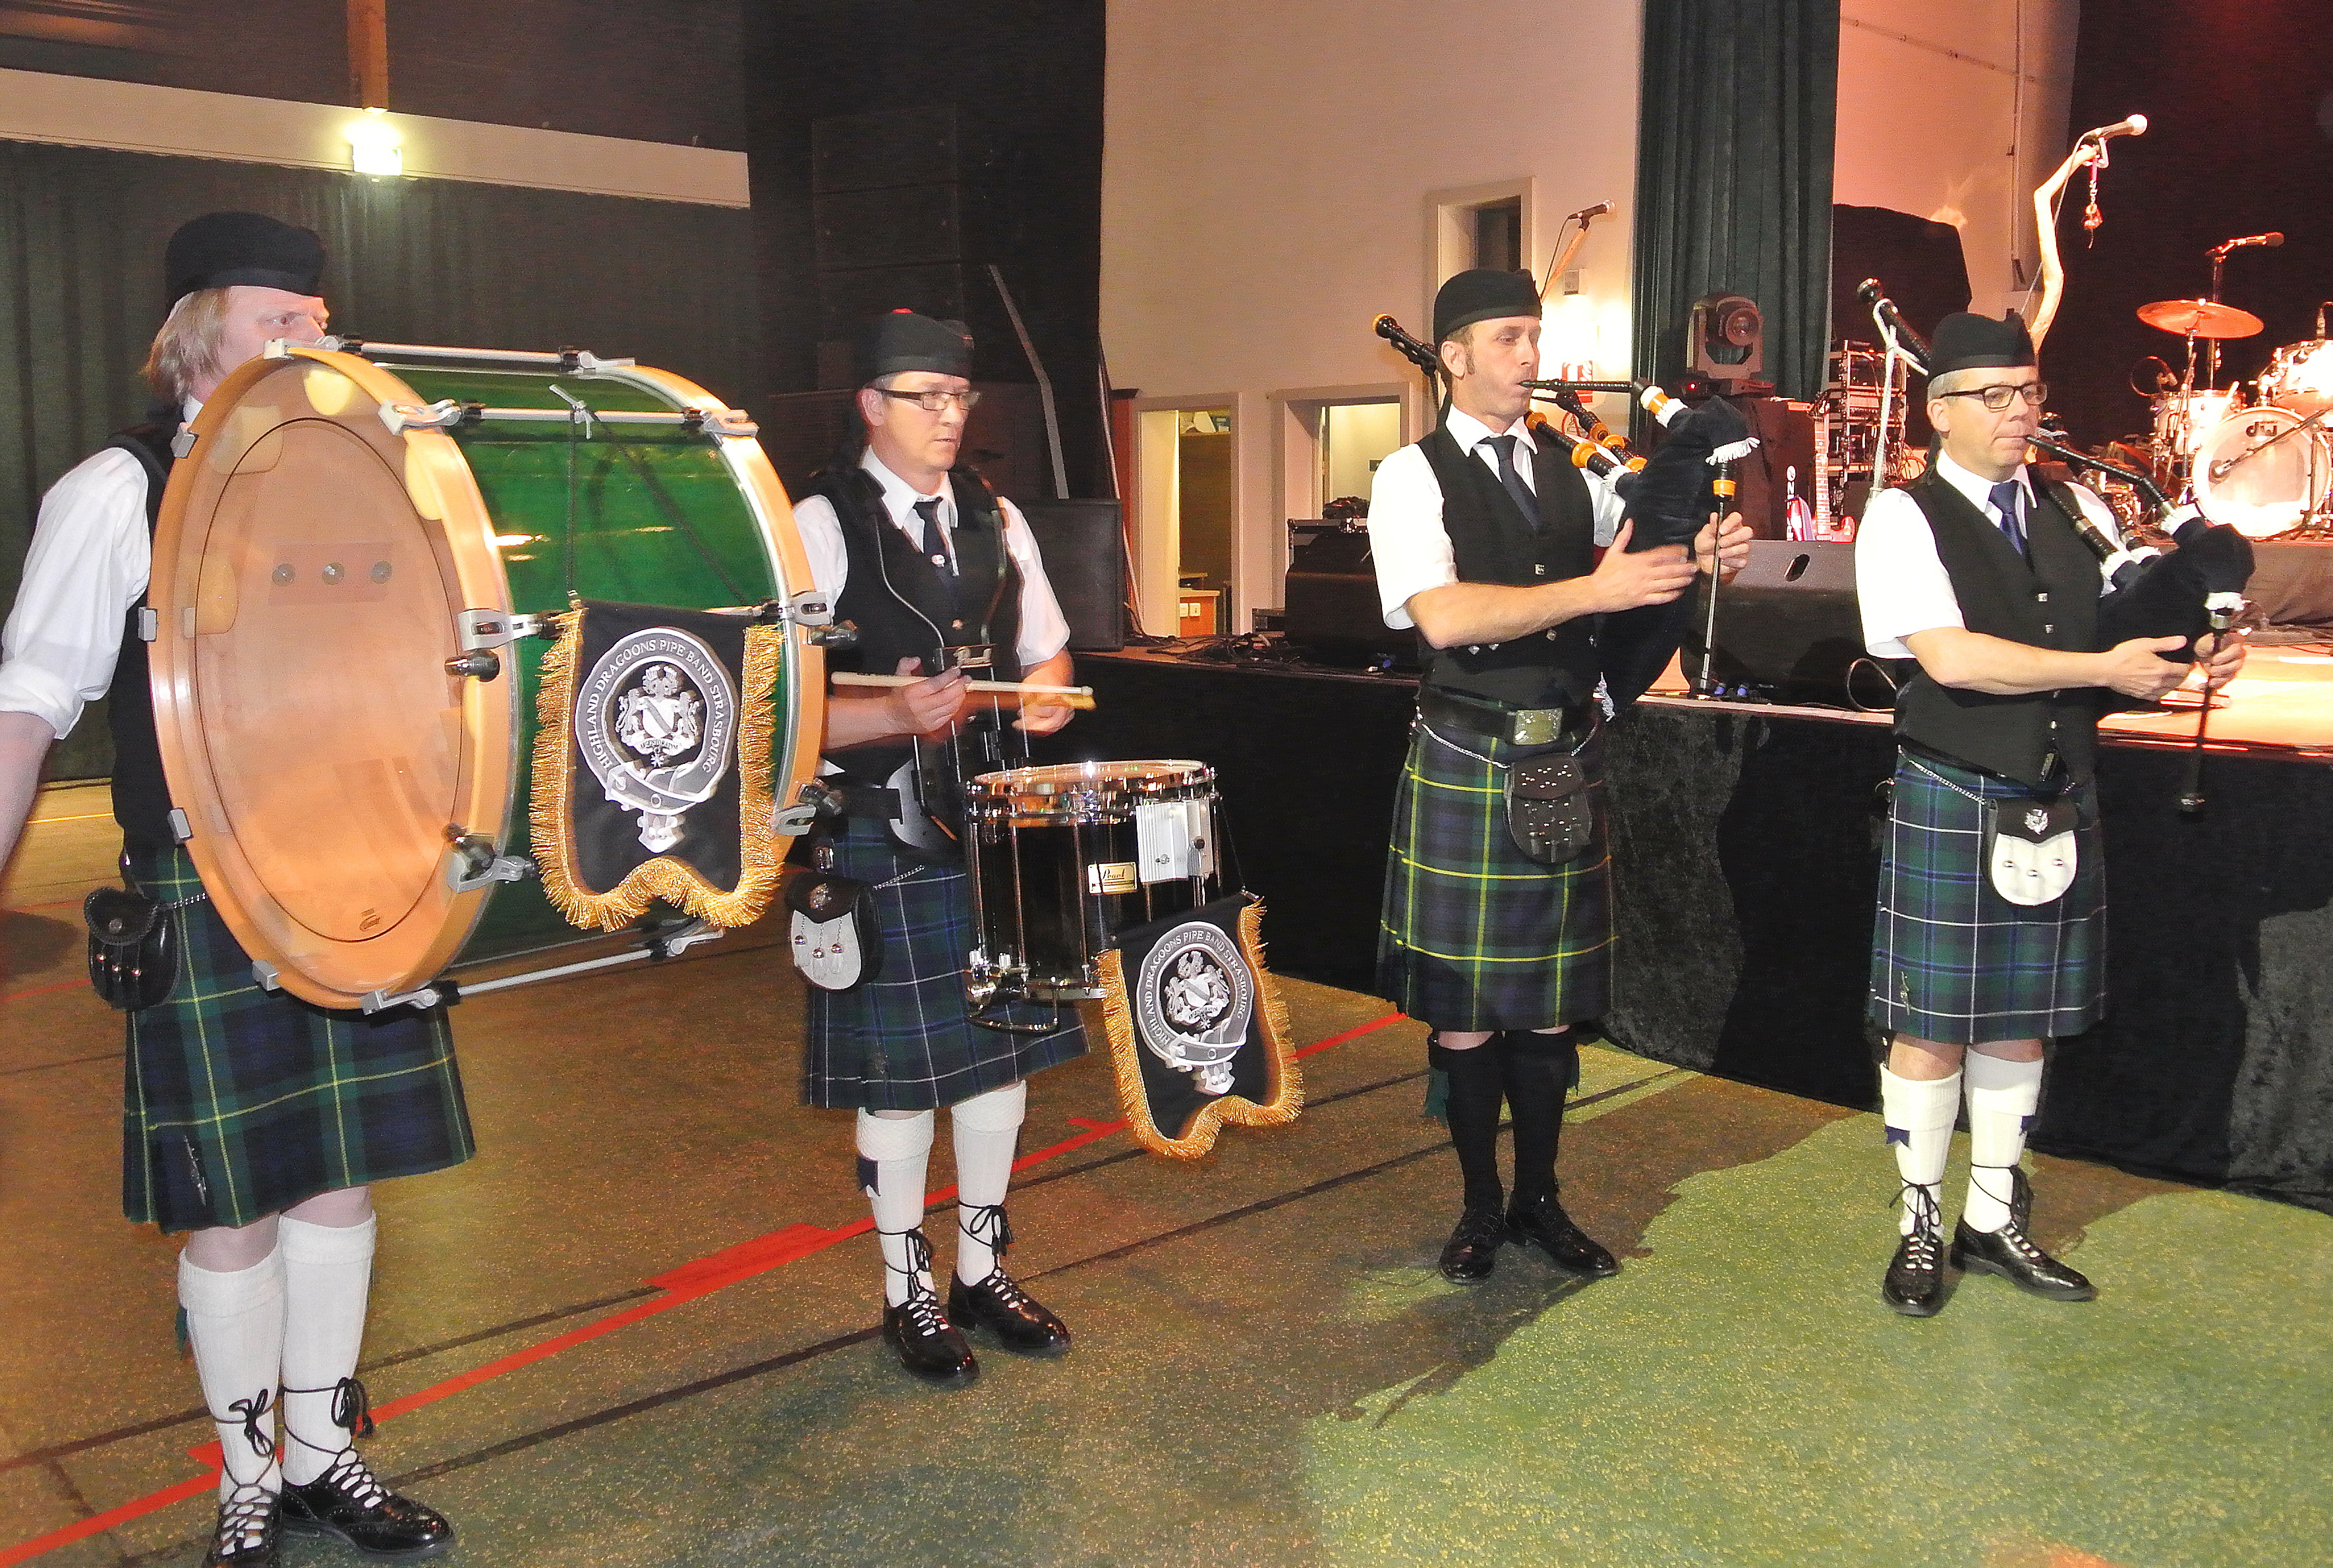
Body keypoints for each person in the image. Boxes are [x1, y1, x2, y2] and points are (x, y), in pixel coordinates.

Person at [0, 214, 463, 1563]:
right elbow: (30, 702)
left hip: (362, 873)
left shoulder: (366, 476)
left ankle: (324, 1456)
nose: (310, 340)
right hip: (206, 884)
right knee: (232, 1200)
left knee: (340, 1180)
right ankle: (247, 1475)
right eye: (279, 319)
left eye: (317, 320)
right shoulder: (121, 488)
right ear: (198, 334)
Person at [1853, 310, 2245, 1317]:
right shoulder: (1903, 515)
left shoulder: (2078, 508)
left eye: (2028, 392)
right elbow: (1951, 658)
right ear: (1941, 410)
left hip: (2058, 794)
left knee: (2020, 1025)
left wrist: (2190, 654)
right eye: (1995, 395)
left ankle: (1990, 1218)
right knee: (1931, 1028)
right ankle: (1919, 1221)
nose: (2020, 411)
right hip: (1956, 789)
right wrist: (2106, 665)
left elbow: (2125, 623)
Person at [1368, 268, 1749, 1285]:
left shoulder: (1574, 463)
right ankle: (1478, 1206)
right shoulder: (1410, 475)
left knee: (1545, 1008)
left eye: (1533, 336)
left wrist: (1701, 546)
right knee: (1467, 1010)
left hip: (1565, 752)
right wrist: (1598, 588)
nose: (1529, 355)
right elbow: (1442, 615)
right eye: (1507, 337)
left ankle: (1539, 1198)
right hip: (1468, 752)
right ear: (1453, 355)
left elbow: (1643, 549)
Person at [788, 310, 1084, 1384]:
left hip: (998, 829)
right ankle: (903, 1292)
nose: (950, 415)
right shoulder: (819, 524)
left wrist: (1044, 697)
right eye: (928, 397)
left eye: (960, 397)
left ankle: (980, 1272)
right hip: (884, 828)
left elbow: (1048, 653)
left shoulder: (997, 517)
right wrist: (887, 716)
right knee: (901, 1084)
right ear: (872, 404)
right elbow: (776, 708)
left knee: (1002, 1066)